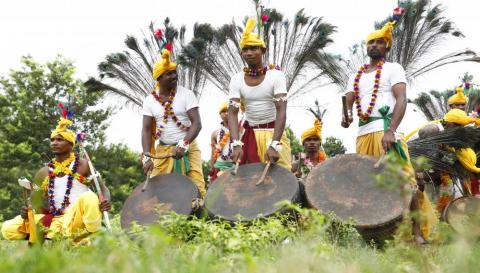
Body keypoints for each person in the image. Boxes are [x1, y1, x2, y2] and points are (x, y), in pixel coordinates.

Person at [341, 20, 436, 243]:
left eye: (379, 42)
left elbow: (402, 99)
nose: (374, 45)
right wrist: (345, 113)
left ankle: (416, 233)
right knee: (370, 183)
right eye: (371, 42)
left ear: (387, 46)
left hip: (386, 131)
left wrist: (391, 130)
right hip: (363, 135)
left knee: (405, 181)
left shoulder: (394, 69)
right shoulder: (356, 75)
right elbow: (349, 99)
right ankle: (376, 235)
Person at [1, 118, 111, 241]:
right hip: (56, 219)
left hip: (78, 217)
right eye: (52, 140)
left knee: (90, 197)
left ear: (70, 143)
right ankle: (63, 233)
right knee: (7, 228)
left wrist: (105, 201)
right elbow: (35, 194)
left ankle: (92, 232)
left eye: (59, 139)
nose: (54, 142)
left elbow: (103, 189)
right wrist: (28, 210)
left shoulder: (84, 165)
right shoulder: (44, 172)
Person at [228, 18, 291, 170]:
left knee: (281, 180)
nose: (249, 53)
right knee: (250, 181)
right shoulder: (236, 79)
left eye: (254, 48)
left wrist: (275, 144)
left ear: (263, 50)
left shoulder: (276, 75)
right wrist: (236, 144)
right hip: (250, 135)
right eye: (245, 49)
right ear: (241, 53)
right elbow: (232, 113)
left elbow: (281, 110)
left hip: (274, 133)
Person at [141, 49, 205, 196]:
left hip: (188, 149)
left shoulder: (187, 94)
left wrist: (183, 145)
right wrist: (147, 156)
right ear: (159, 78)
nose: (174, 76)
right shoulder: (149, 101)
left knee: (197, 190)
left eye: (175, 72)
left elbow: (197, 123)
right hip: (163, 152)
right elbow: (145, 130)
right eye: (169, 74)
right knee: (157, 192)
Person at [209, 102, 234, 182]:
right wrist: (212, 169)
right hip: (219, 167)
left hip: (236, 166)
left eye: (228, 111)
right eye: (223, 111)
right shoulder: (215, 133)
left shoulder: (240, 130)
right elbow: (213, 153)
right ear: (220, 115)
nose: (226, 113)